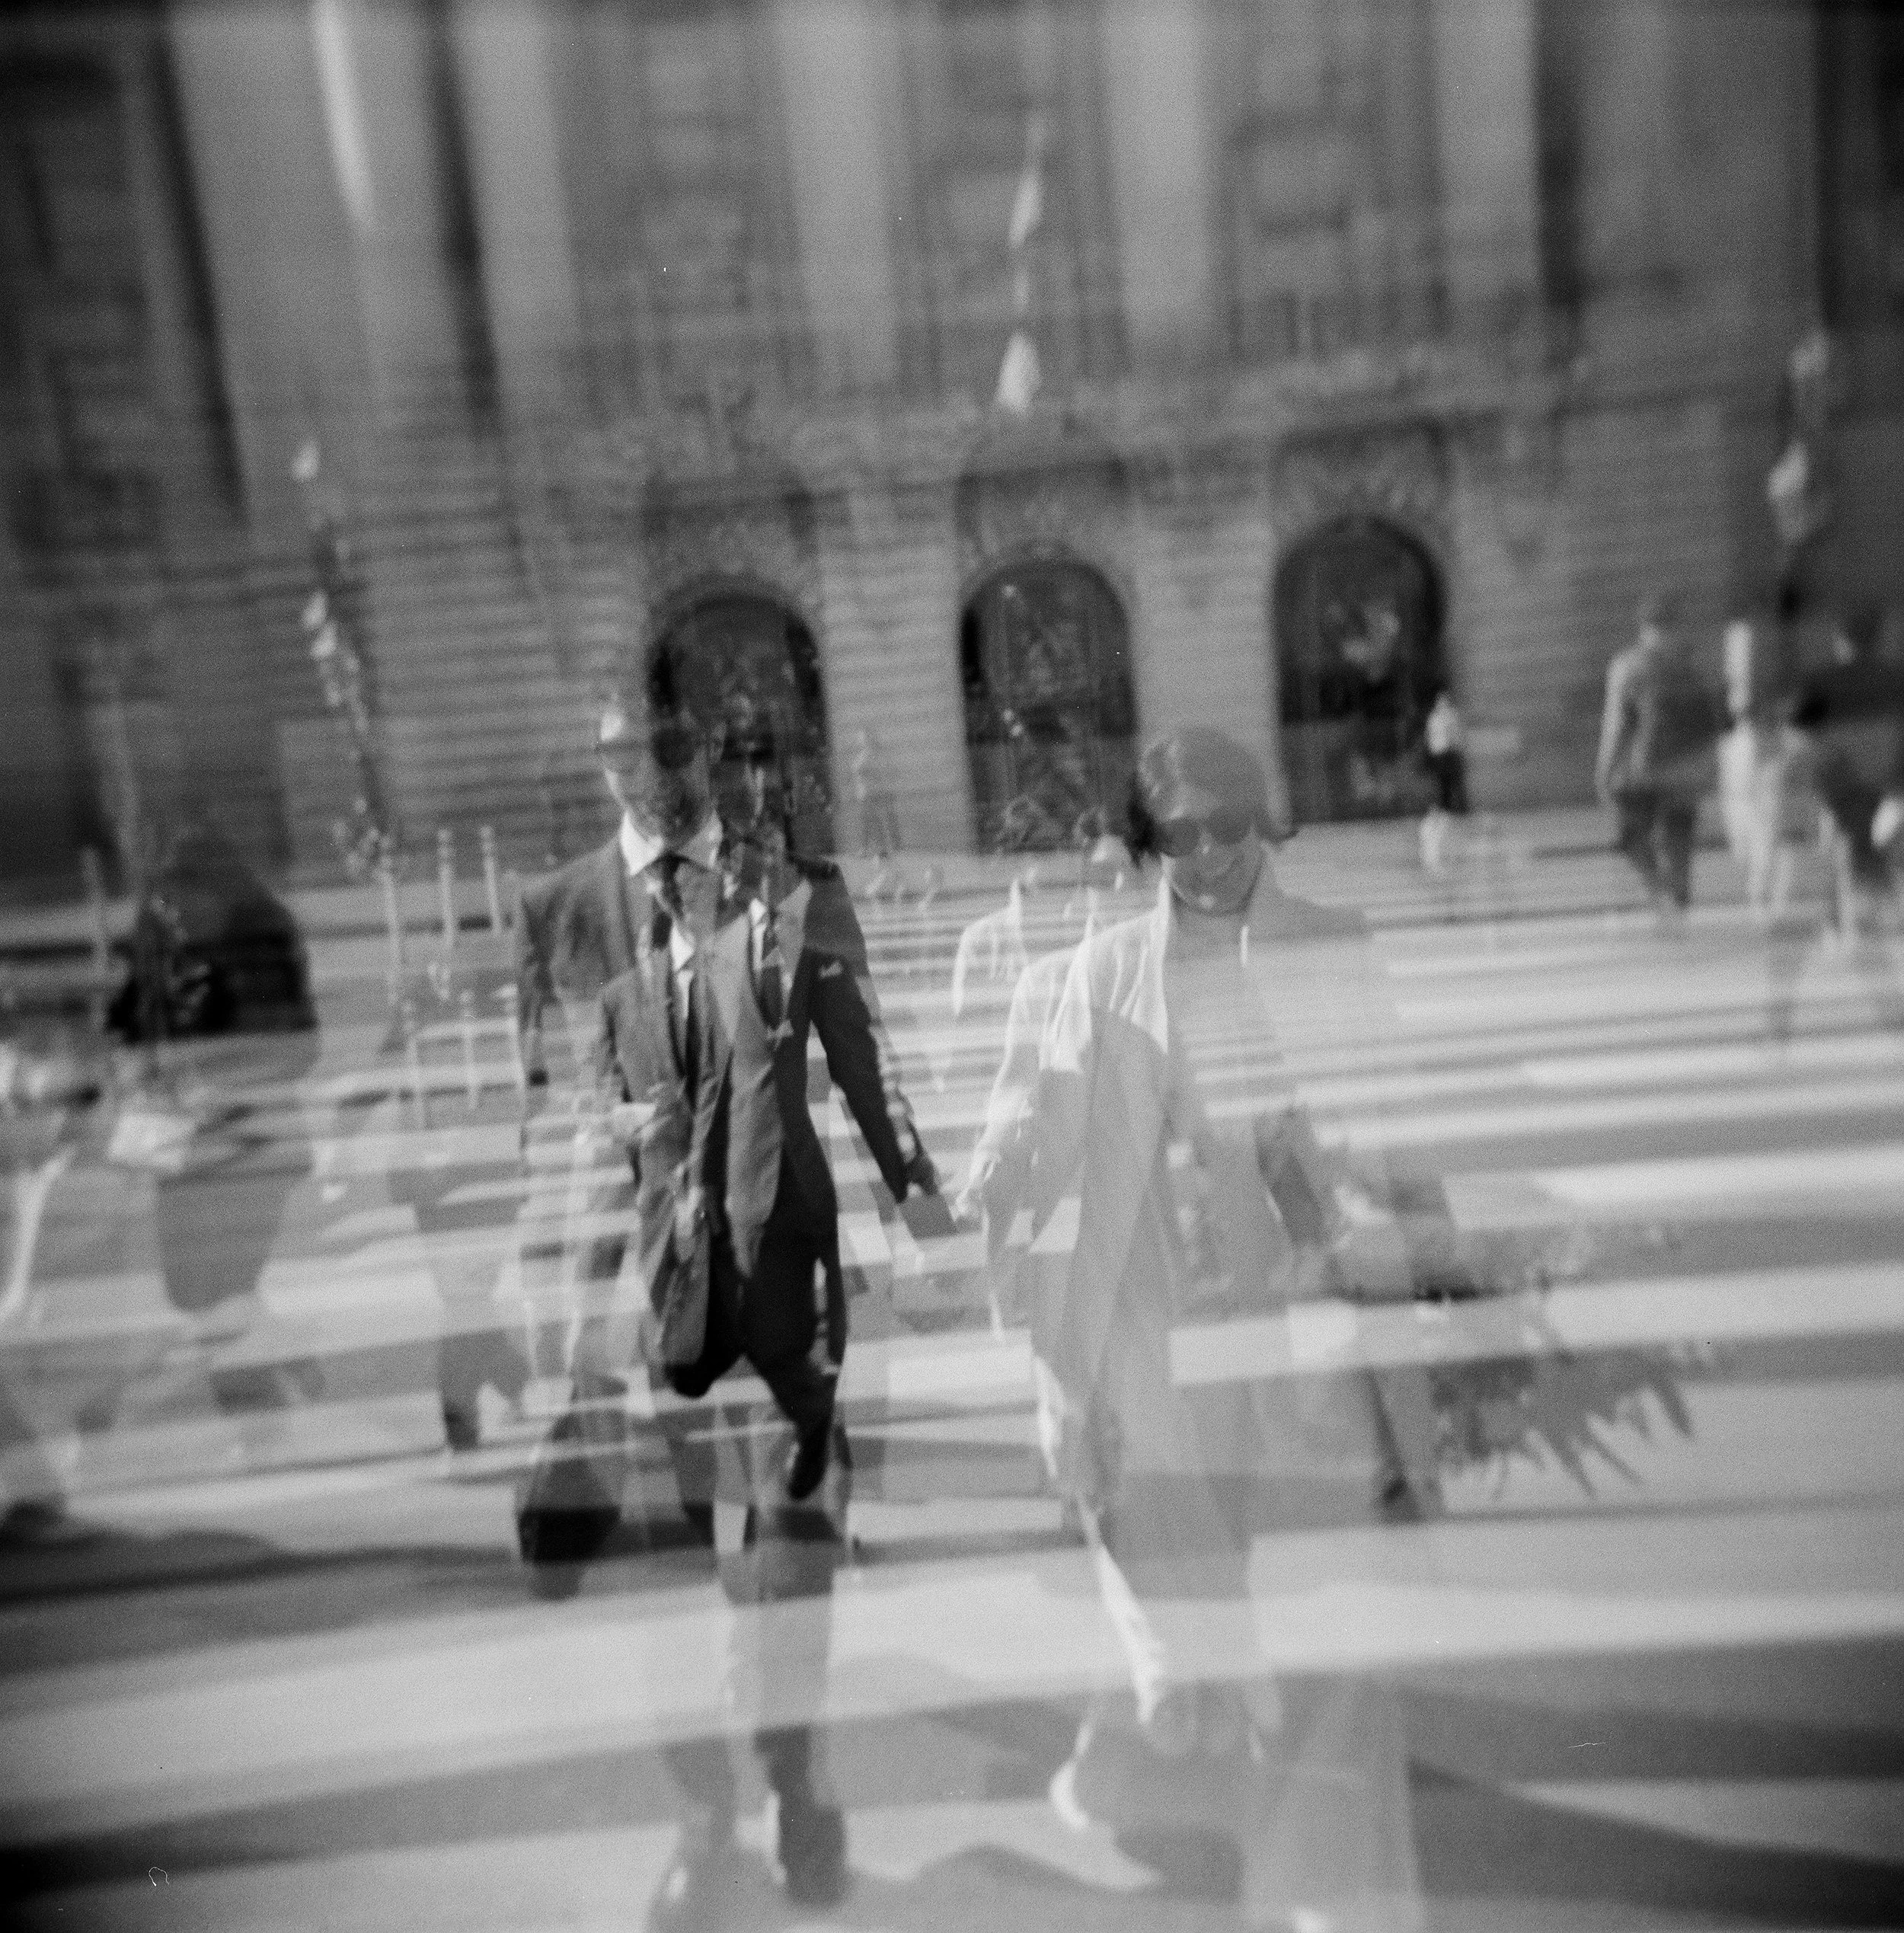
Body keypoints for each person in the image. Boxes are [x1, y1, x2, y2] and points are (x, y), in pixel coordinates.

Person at [969, 727, 1439, 1930]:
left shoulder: (1335, 948)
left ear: (1260, 823)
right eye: (1179, 834)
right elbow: (1047, 1130)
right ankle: (1177, 1778)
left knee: (1307, 1612)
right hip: (1166, 1331)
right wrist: (1002, 1177)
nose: (1211, 853)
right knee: (1203, 1577)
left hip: (1307, 1325)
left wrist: (1443, 1266)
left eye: (1230, 825)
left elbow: (1393, 1131)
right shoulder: (1104, 967)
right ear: (1148, 844)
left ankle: (1326, 1883)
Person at [579, 692, 941, 1925]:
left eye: (661, 769)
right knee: (682, 1566)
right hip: (665, 1283)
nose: (646, 795)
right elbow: (593, 1087)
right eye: (623, 772)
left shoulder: (796, 896)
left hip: (785, 1261)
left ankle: (795, 1782)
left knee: (789, 1551)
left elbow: (865, 1056)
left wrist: (927, 1210)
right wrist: (623, 1124)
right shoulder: (600, 916)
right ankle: (703, 1812)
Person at [1595, 594, 1722, 917]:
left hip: (1644, 769)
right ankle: (1678, 889)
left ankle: (1658, 887)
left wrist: (1604, 769)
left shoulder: (1628, 665)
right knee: (1679, 833)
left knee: (1629, 834)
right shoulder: (1693, 664)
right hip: (1690, 767)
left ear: (1643, 627)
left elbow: (1617, 723)